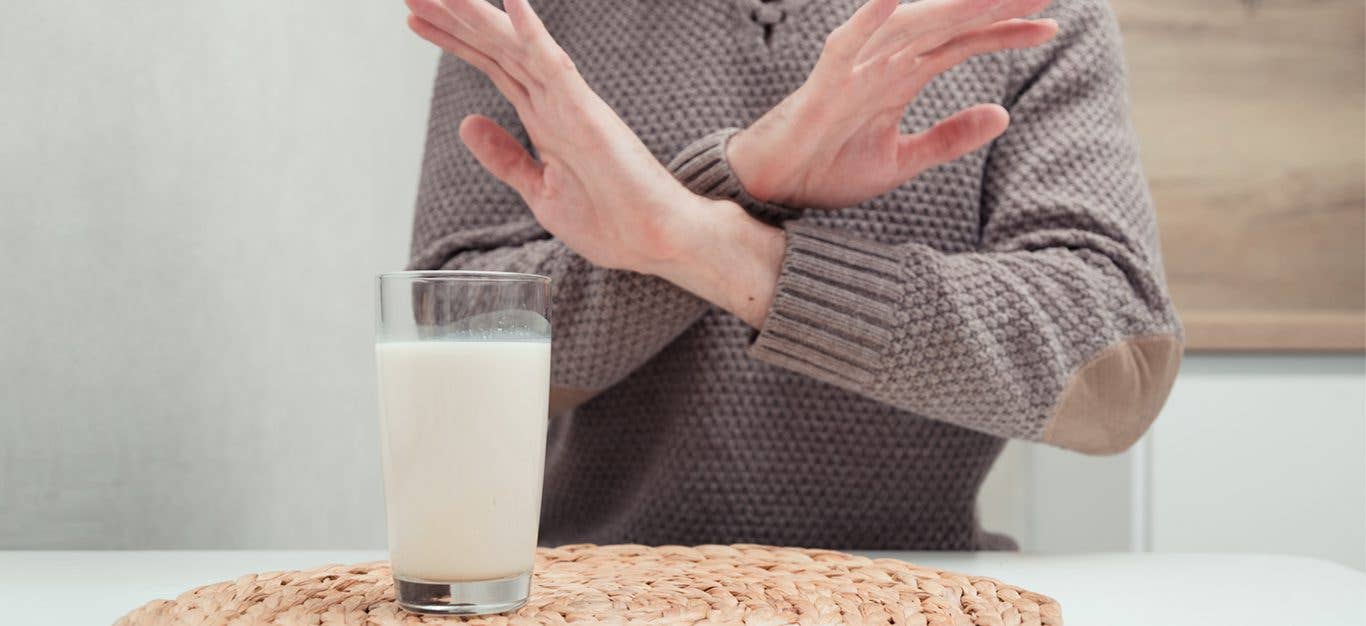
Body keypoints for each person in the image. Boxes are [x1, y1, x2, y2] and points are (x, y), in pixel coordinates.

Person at [402, 0, 1182, 550]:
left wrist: (707, 243)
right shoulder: (521, 21)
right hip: (587, 598)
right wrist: (745, 173)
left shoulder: (1023, 14)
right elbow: (453, 351)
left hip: (921, 595)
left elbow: (1119, 364)